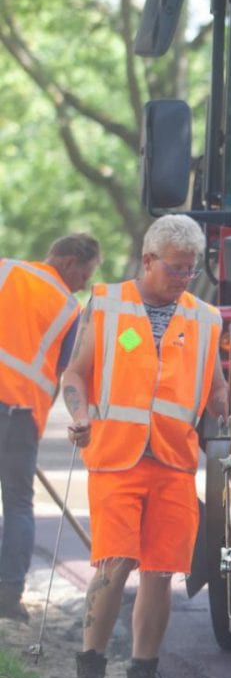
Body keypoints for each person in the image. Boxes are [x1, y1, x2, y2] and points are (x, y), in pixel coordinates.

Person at [60, 215, 227, 678]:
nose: (184, 279)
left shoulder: (205, 318)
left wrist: (229, 402)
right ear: (148, 260)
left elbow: (215, 388)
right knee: (116, 562)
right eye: (175, 270)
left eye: (191, 271)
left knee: (160, 572)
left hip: (174, 461)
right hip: (116, 459)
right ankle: (89, 676)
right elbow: (76, 372)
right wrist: (79, 413)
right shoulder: (107, 304)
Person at [0, 233, 101, 621]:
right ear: (70, 262)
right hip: (20, 416)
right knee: (18, 504)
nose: (84, 284)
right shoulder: (70, 311)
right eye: (85, 274)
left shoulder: (6, 269)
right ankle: (8, 595)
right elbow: (67, 372)